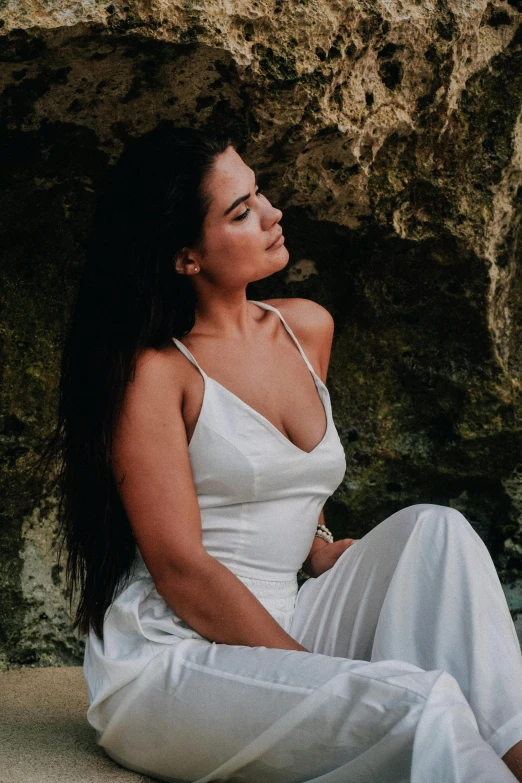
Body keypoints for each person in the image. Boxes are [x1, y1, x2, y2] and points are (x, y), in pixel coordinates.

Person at [42, 122, 522, 782]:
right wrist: (316, 670)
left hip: (288, 612)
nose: (273, 214)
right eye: (242, 211)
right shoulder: (156, 372)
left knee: (438, 531)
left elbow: (293, 479)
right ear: (187, 256)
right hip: (174, 658)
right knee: (417, 704)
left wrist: (318, 539)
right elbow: (181, 568)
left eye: (259, 193)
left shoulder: (305, 326)